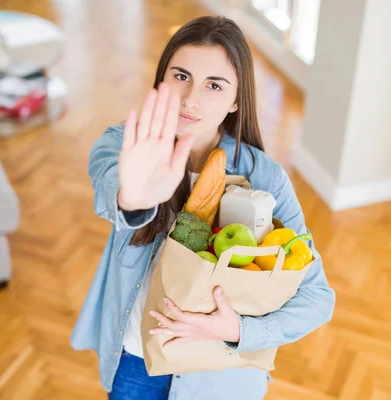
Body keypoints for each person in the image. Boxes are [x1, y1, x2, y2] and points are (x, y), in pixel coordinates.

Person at [70, 15, 335, 400]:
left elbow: (318, 298)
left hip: (218, 375)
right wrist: (135, 199)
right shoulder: (125, 146)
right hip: (135, 359)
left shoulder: (265, 179)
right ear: (161, 82)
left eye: (214, 85)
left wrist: (235, 331)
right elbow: (113, 187)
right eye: (181, 76)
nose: (191, 97)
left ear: (235, 101)